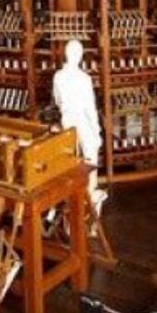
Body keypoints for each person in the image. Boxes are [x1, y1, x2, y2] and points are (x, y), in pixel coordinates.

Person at [53, 39, 107, 213]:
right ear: (79, 56)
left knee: (70, 156)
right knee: (91, 150)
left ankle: (70, 191)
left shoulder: (58, 76)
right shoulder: (84, 78)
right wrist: (97, 131)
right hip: (80, 119)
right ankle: (90, 191)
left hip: (66, 120)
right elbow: (90, 108)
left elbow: (57, 100)